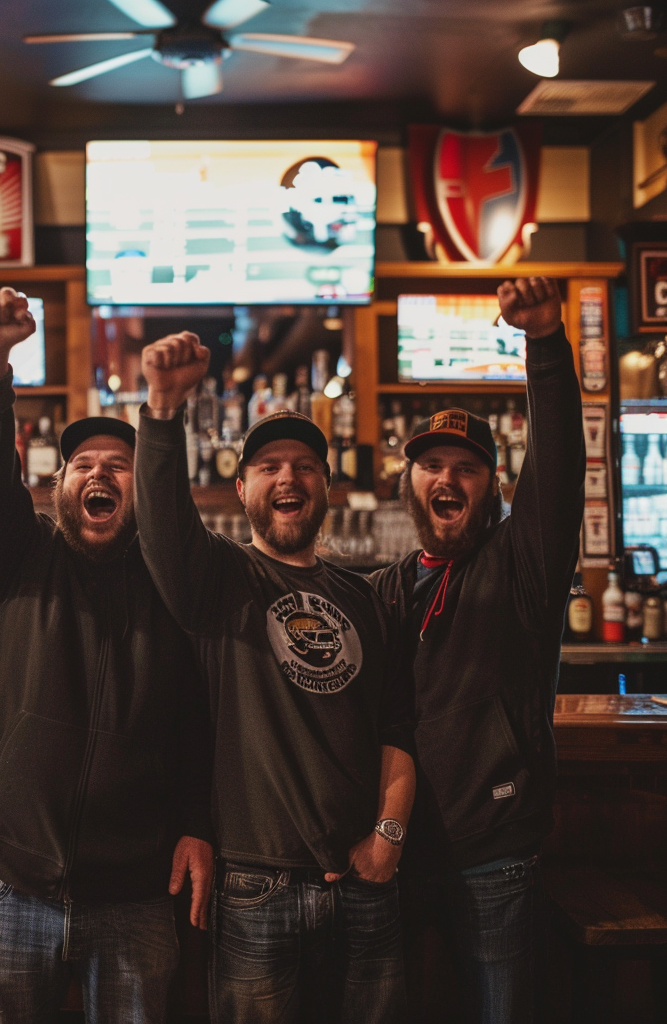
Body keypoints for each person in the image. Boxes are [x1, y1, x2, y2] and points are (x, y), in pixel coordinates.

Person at [135, 332, 415, 1024]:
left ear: (326, 483)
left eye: (303, 466)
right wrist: (164, 409)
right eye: (267, 467)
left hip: (364, 879)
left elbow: (396, 724)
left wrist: (388, 838)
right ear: (242, 489)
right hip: (258, 882)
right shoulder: (223, 579)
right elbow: (165, 525)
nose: (287, 478)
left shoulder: (366, 592)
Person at [0, 286, 213, 1024]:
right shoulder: (16, 558)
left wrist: (199, 819)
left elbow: (201, 717)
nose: (99, 474)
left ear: (144, 489)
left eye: (119, 465)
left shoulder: (176, 580)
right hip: (9, 885)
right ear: (58, 484)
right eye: (82, 464)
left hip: (133, 893)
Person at [369, 277, 585, 1024]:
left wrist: (545, 344)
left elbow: (556, 470)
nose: (448, 477)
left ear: (492, 486)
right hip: (393, 854)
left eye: (466, 467)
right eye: (432, 465)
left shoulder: (523, 564)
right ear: (410, 483)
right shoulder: (389, 586)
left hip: (494, 854)